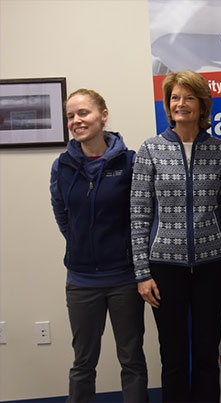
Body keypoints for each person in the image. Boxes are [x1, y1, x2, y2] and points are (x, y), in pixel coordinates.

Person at [131, 70, 221, 403]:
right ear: (168, 105)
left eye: (189, 98)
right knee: (174, 357)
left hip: (213, 266)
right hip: (165, 268)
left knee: (208, 356)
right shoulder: (150, 150)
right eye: (175, 98)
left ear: (202, 105)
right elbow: (138, 216)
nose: (181, 104)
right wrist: (142, 273)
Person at [50, 89, 149, 403]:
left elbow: (140, 217)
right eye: (71, 116)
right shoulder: (62, 166)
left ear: (103, 115)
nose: (77, 121)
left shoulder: (130, 162)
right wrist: (82, 244)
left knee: (131, 358)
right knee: (83, 363)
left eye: (84, 113)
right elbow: (62, 214)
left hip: (123, 279)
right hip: (81, 282)